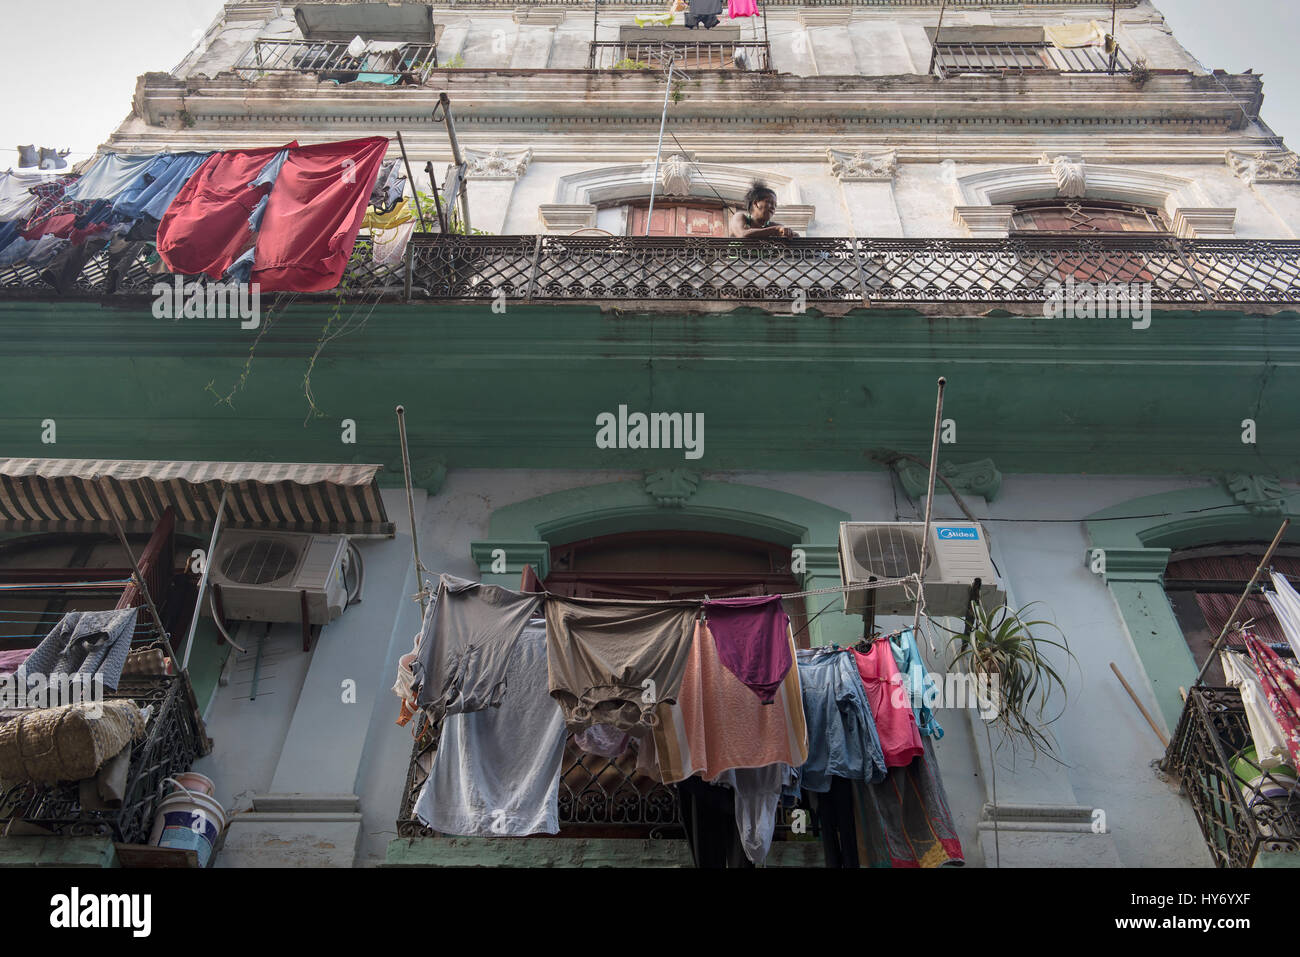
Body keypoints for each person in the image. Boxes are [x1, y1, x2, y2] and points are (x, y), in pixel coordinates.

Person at [729, 182, 796, 238]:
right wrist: (776, 230)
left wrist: (790, 233)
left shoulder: (771, 225)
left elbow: (795, 236)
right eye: (769, 202)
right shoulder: (740, 217)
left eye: (775, 205)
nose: (773, 207)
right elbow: (742, 234)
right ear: (756, 203)